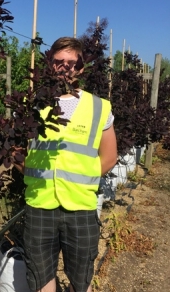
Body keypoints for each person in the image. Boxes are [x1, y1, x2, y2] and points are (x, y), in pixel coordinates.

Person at [16, 37, 117, 292]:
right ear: (50, 65)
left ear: (81, 67)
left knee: (80, 277)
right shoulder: (33, 104)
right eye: (59, 61)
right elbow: (16, 151)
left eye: (72, 62)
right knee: (40, 275)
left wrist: (84, 181)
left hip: (81, 206)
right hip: (40, 204)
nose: (65, 67)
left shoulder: (99, 107)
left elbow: (109, 157)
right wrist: (30, 175)